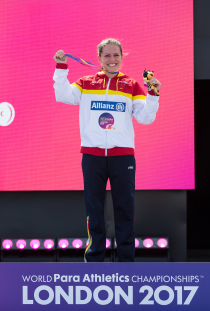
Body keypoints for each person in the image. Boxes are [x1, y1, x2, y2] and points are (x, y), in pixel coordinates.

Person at [53, 38, 161, 262]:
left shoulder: (132, 85)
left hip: (122, 157)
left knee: (124, 209)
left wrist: (153, 95)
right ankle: (94, 260)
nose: (112, 60)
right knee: (94, 210)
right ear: (99, 59)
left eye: (116, 56)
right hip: (92, 156)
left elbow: (145, 118)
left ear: (122, 58)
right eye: (107, 56)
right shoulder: (86, 82)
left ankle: (126, 262)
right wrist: (61, 68)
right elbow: (62, 95)